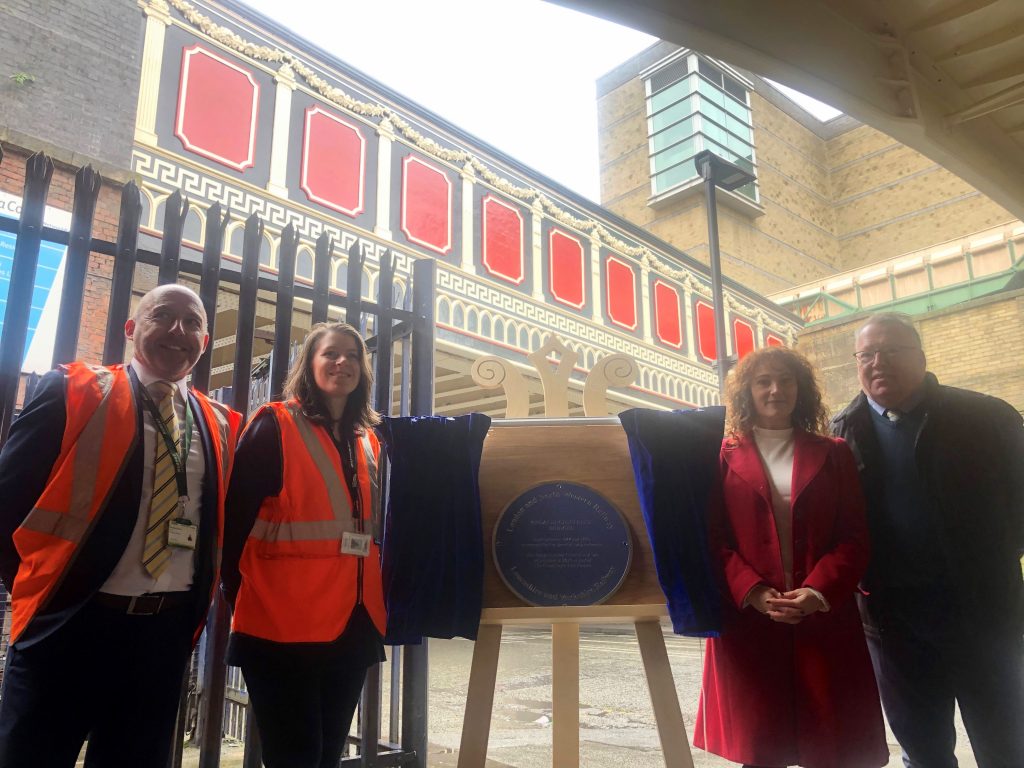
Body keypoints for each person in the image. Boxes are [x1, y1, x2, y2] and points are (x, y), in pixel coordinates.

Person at [0, 284, 241, 768]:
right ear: (132, 329)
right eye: (162, 316)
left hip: (162, 637)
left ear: (206, 340)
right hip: (68, 626)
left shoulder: (220, 424)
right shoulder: (73, 391)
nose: (178, 330)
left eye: (192, 322)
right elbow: (7, 504)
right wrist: (37, 593)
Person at [831, 312, 1024, 768]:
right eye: (867, 354)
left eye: (892, 351)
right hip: (895, 623)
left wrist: (994, 562)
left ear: (920, 356)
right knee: (923, 751)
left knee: (1006, 745)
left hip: (983, 615)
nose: (879, 362)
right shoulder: (841, 432)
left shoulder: (986, 415)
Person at [695, 346, 888, 768]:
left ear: (801, 390)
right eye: (763, 381)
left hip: (823, 615)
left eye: (785, 380)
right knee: (762, 749)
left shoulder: (834, 452)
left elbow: (854, 535)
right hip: (749, 620)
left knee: (832, 746)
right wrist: (754, 591)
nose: (775, 389)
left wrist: (818, 590)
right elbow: (713, 539)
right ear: (747, 391)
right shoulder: (720, 456)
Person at [221, 321, 386, 768]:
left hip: (351, 622)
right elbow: (229, 530)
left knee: (326, 756)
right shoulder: (274, 425)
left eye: (353, 355)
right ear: (309, 363)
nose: (343, 363)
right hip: (283, 628)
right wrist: (245, 600)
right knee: (294, 758)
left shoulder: (365, 439)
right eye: (331, 353)